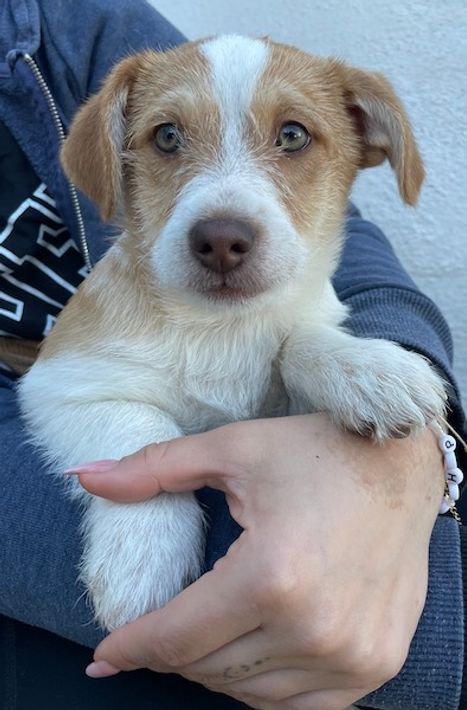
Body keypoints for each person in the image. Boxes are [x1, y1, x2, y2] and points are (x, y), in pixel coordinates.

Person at [0, 1, 466, 708]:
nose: (224, 220)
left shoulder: (53, 24)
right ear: (113, 157)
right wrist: (144, 484)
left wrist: (349, 373)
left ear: (366, 140)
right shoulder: (110, 324)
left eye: (291, 136)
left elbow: (359, 297)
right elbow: (58, 389)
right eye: (168, 139)